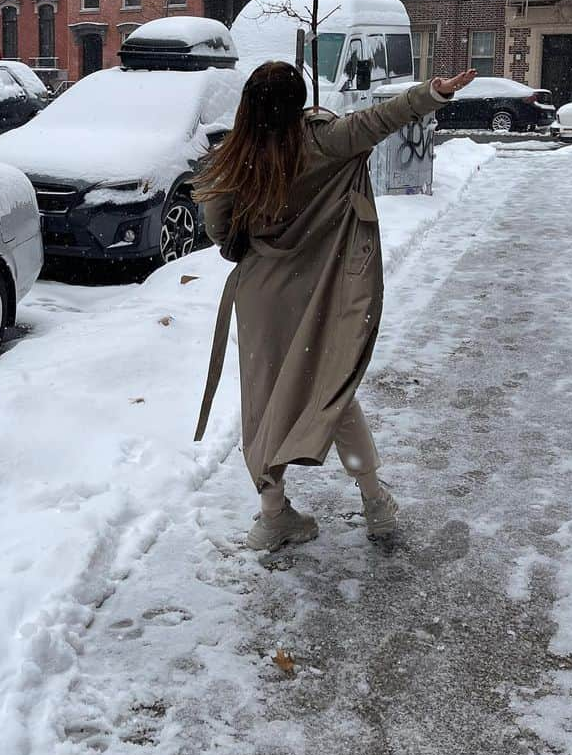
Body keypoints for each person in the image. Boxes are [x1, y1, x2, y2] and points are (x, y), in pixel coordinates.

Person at [193, 61, 475, 552]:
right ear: (299, 99)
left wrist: (251, 242)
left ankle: (273, 513)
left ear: (248, 105)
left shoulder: (233, 157)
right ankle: (374, 503)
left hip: (262, 294)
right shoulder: (324, 141)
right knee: (333, 390)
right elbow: (380, 119)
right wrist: (433, 92)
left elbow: (218, 225)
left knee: (262, 398)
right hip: (320, 287)